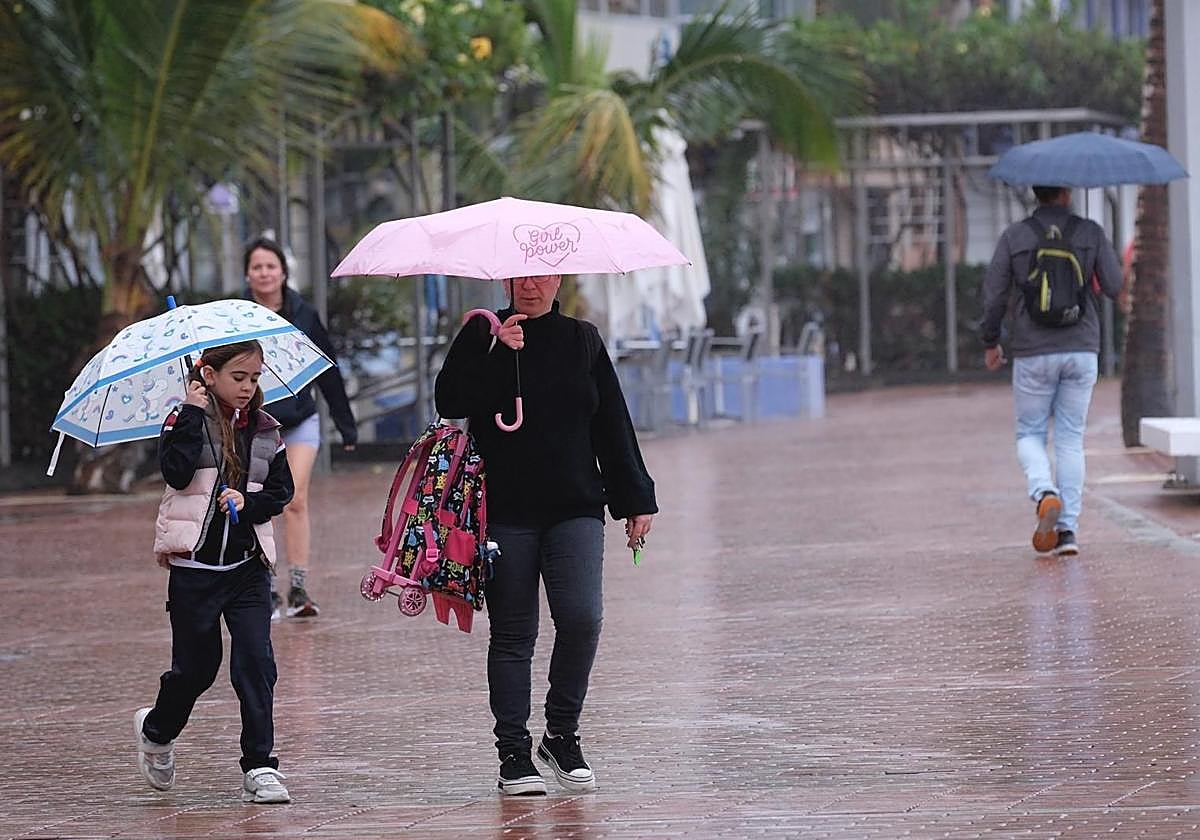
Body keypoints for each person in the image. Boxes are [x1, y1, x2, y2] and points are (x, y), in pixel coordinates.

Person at [435, 274, 657, 796]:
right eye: (520, 276)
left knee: (582, 618)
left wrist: (636, 498)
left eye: (542, 275)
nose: (531, 285)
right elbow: (449, 399)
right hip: (504, 510)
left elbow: (612, 424)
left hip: (575, 505)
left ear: (559, 277)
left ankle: (561, 734)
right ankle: (512, 750)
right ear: (506, 279)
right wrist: (494, 353)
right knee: (514, 634)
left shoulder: (582, 339)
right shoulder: (481, 332)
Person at [135, 341, 295, 803]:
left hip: (246, 568)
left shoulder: (266, 429)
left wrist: (250, 503)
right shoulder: (184, 419)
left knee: (256, 661)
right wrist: (189, 412)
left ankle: (261, 765)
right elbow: (176, 473)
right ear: (209, 374)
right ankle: (157, 731)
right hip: (195, 571)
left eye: (254, 378)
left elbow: (281, 492)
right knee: (196, 670)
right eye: (237, 377)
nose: (247, 387)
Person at [981, 185, 1122, 557]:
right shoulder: (1089, 232)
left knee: (1029, 433)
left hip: (1032, 350)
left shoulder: (1015, 236)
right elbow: (1114, 285)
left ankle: (1044, 491)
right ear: (1066, 192)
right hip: (1081, 347)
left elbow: (994, 294)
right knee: (1071, 438)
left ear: (1035, 192)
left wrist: (990, 340)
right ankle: (1067, 532)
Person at [242, 237, 357, 619]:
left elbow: (328, 367)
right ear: (247, 274)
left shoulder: (303, 313)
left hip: (299, 420)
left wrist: (345, 423)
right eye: (257, 267)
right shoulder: (237, 315)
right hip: (254, 425)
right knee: (260, 503)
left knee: (294, 498)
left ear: (283, 271)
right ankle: (267, 588)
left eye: (270, 266)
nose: (264, 273)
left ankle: (298, 587)